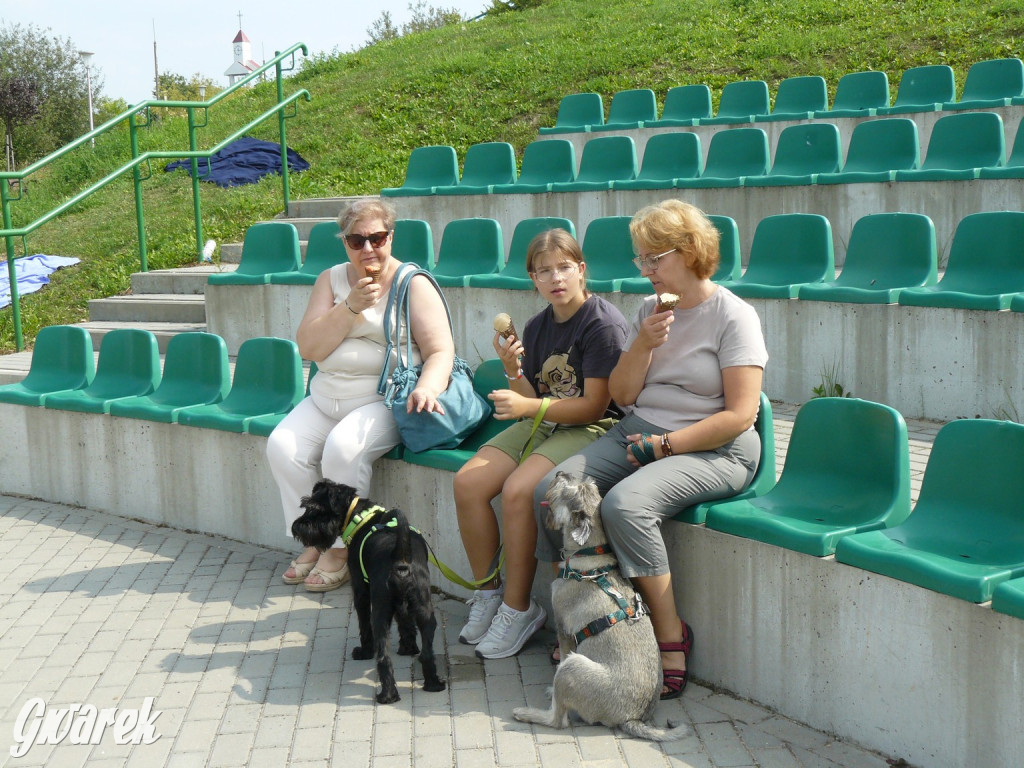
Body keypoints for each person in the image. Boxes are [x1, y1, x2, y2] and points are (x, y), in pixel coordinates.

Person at [533, 199, 768, 698]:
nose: (646, 270)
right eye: (641, 260)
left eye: (654, 259)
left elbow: (741, 415)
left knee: (625, 506)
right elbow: (621, 397)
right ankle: (586, 615)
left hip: (717, 447)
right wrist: (641, 343)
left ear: (688, 251)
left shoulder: (734, 316)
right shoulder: (647, 310)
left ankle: (668, 634)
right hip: (641, 428)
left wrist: (665, 446)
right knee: (554, 492)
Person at [453, 228, 628, 659]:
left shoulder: (601, 323)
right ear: (533, 278)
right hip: (547, 419)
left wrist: (529, 407)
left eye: (565, 267)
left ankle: (519, 609)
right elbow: (533, 396)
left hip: (591, 426)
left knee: (518, 491)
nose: (556, 278)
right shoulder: (537, 325)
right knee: (468, 483)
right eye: (544, 271)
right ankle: (489, 594)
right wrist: (512, 369)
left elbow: (592, 407)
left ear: (581, 270)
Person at [266, 198, 455, 591]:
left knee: (342, 449)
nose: (368, 249)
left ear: (391, 237)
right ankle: (317, 541)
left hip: (382, 401)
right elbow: (309, 348)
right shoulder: (331, 280)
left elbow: (440, 351)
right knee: (282, 446)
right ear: (345, 243)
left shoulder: (411, 283)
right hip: (325, 397)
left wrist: (427, 386)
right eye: (356, 240)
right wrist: (349, 307)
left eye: (377, 238)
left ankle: (342, 550)